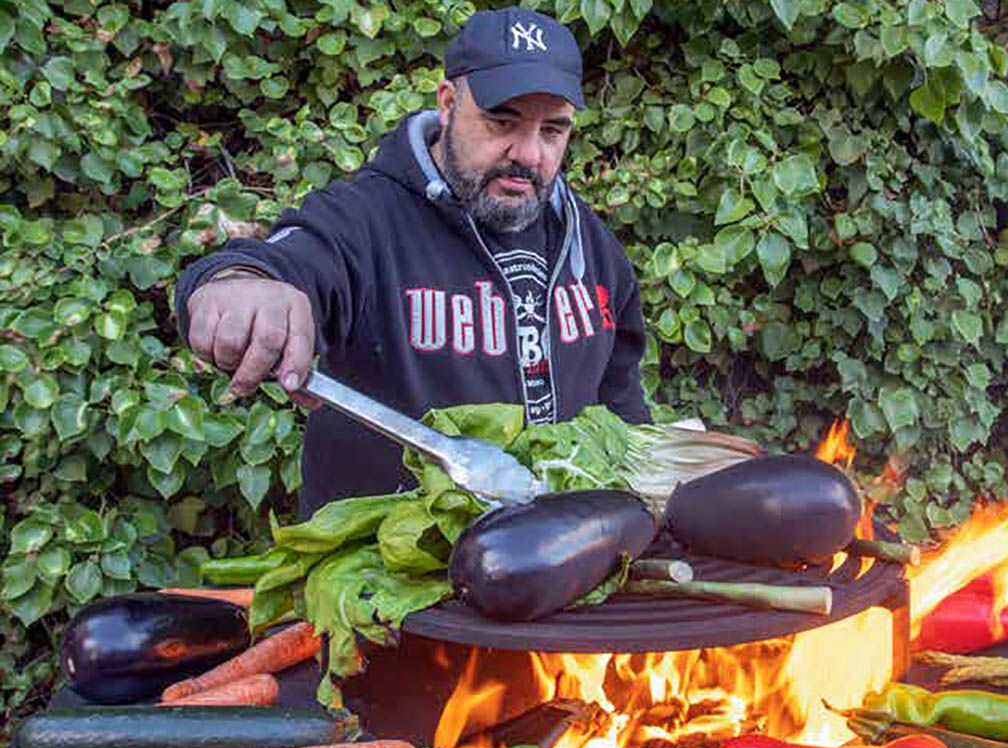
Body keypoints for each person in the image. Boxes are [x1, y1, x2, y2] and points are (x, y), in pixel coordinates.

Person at [174, 7, 651, 518]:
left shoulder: (590, 243)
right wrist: (238, 283)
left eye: (552, 131)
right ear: (448, 103)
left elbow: (621, 403)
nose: (529, 154)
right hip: (387, 578)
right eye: (501, 121)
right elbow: (287, 261)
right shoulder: (365, 219)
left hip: (558, 564)